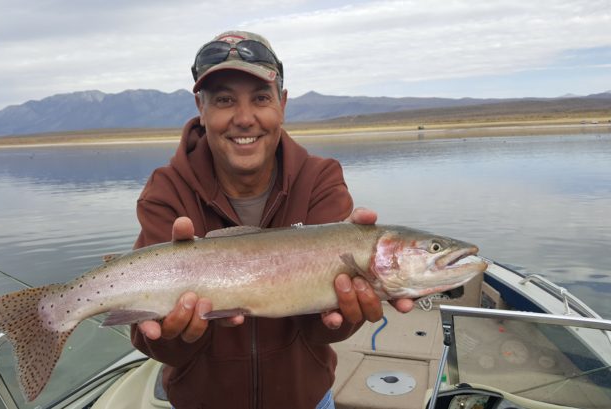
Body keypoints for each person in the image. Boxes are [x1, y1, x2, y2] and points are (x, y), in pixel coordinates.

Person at [130, 30, 413, 409]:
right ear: (201, 107)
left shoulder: (320, 180)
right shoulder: (166, 191)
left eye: (260, 98)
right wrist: (174, 335)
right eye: (225, 100)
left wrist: (347, 315)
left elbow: (322, 329)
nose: (244, 118)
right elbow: (149, 339)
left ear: (282, 103)